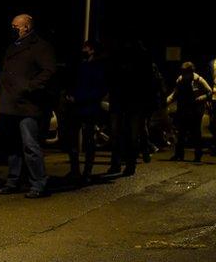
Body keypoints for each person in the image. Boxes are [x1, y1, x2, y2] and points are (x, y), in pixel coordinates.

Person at [0, 14, 56, 198]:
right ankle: (14, 180)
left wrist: (29, 87)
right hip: (10, 103)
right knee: (13, 146)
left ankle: (38, 182)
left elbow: (49, 71)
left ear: (27, 27)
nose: (13, 29)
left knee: (30, 145)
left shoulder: (40, 46)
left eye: (16, 26)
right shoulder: (12, 47)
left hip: (28, 105)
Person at [106, 38, 155, 176]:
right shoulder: (141, 57)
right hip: (131, 100)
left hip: (129, 100)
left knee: (124, 134)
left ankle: (122, 163)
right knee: (128, 134)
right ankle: (126, 163)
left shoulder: (123, 57)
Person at [64, 40, 107, 182]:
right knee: (73, 139)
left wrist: (79, 98)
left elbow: (99, 89)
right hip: (79, 106)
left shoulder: (97, 67)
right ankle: (75, 169)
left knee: (88, 140)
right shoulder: (81, 65)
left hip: (88, 107)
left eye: (86, 47)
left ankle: (86, 171)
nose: (83, 49)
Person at [166, 61, 211, 162]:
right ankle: (179, 154)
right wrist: (166, 101)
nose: (183, 74)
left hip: (195, 110)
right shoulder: (180, 80)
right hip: (183, 109)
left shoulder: (198, 80)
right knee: (181, 133)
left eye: (185, 72)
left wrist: (201, 98)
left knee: (196, 133)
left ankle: (198, 155)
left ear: (191, 72)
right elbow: (175, 94)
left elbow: (209, 92)